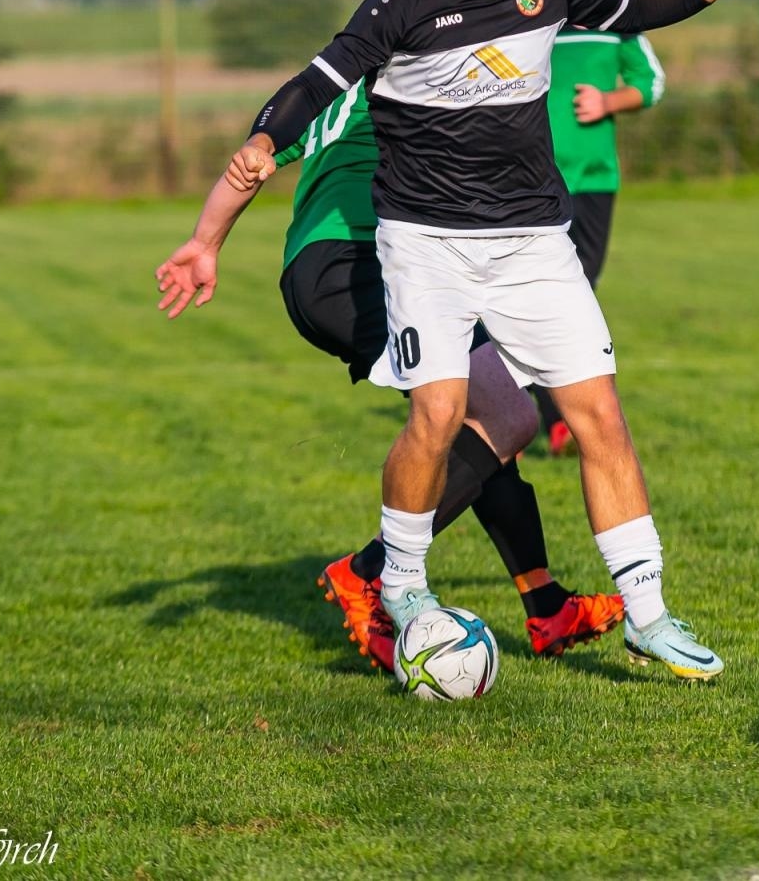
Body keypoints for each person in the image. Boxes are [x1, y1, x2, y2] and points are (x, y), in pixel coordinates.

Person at [222, 0, 759, 680]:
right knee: (438, 413)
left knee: (600, 418)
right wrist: (265, 138)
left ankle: (649, 615)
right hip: (424, 243)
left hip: (530, 243)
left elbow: (636, 5)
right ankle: (401, 588)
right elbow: (315, 82)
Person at [155, 76, 624, 671]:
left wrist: (207, 239)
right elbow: (264, 151)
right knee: (497, 413)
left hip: (386, 270)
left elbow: (256, 158)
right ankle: (366, 574)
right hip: (353, 263)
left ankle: (546, 604)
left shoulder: (386, 80)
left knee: (493, 415)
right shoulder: (395, 75)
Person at [522, 0, 667, 456]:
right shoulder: (515, 21)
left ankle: (549, 411)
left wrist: (609, 101)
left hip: (595, 180)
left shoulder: (612, 15)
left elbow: (651, 84)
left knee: (578, 296)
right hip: (528, 184)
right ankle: (554, 416)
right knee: (538, 301)